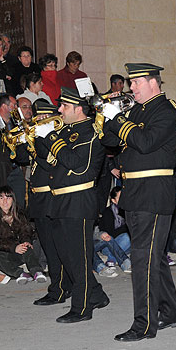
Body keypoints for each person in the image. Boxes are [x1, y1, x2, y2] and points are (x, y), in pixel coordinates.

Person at [102, 63, 176, 341]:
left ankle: (144, 324)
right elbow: (112, 141)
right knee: (154, 258)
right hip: (136, 191)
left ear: (152, 82)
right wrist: (109, 118)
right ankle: (171, 312)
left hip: (153, 192)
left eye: (135, 82)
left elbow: (145, 142)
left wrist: (120, 121)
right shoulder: (137, 110)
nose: (131, 88)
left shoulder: (166, 112)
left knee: (142, 260)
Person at [33, 86, 109, 323]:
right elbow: (49, 163)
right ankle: (95, 294)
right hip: (60, 200)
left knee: (79, 257)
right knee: (67, 255)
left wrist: (51, 138)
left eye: (64, 106)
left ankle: (82, 307)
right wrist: (38, 140)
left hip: (78, 200)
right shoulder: (65, 131)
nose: (59, 110)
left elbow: (78, 165)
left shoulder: (90, 131)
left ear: (78, 108)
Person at [21, 100, 73, 307]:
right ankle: (61, 285)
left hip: (51, 198)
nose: (41, 120)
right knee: (49, 246)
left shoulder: (55, 137)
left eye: (45, 117)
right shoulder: (38, 135)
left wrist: (36, 146)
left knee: (55, 248)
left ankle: (60, 288)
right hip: (38, 198)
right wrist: (26, 142)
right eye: (38, 117)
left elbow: (51, 162)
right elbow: (23, 159)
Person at [0, 186, 45, 284]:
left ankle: (37, 272)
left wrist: (26, 242)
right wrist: (14, 247)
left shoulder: (19, 213)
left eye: (8, 198)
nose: (5, 201)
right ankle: (21, 274)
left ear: (13, 200)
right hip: (5, 252)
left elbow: (25, 231)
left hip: (21, 251)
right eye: (1, 198)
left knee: (27, 247)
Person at [94, 186, 132, 274]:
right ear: (113, 200)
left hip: (123, 247)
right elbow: (110, 235)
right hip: (109, 245)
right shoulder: (108, 212)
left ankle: (112, 259)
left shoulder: (128, 211)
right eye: (120, 198)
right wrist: (127, 227)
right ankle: (112, 258)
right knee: (127, 237)